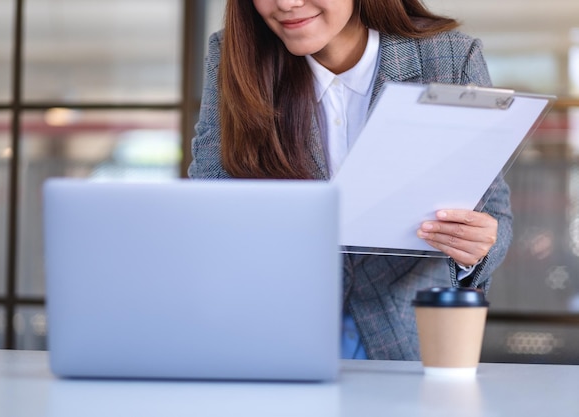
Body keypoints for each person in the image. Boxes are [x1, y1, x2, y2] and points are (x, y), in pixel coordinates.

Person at [188, 0, 512, 360]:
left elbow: (493, 210)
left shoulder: (449, 56)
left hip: (407, 339)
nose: (286, 4)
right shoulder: (235, 55)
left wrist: (474, 249)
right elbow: (210, 200)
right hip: (276, 332)